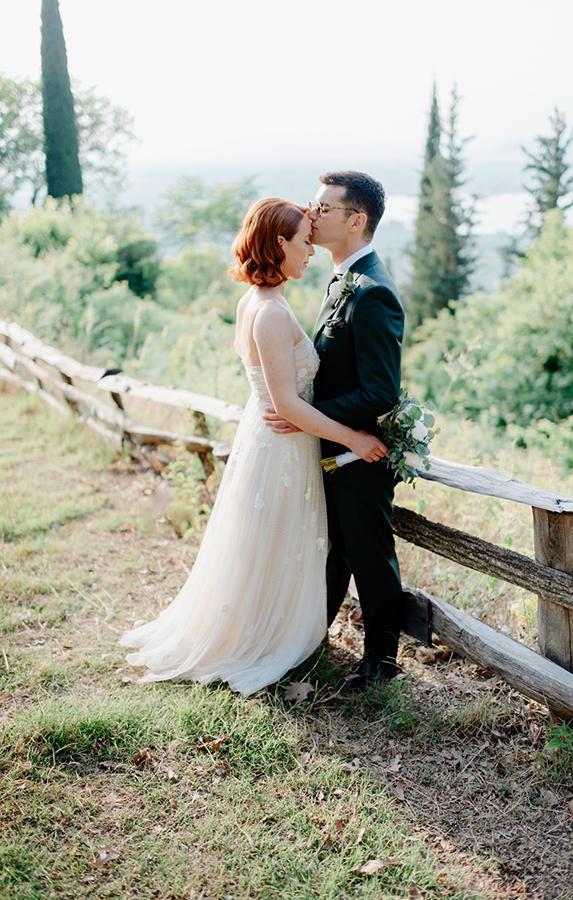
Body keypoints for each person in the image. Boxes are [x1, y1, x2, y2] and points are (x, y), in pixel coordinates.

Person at [120, 197, 388, 696]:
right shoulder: (269, 312)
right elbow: (286, 404)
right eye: (304, 242)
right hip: (281, 445)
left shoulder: (260, 300)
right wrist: (353, 437)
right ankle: (257, 637)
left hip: (276, 439)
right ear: (280, 244)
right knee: (272, 543)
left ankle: (266, 625)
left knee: (267, 544)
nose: (311, 251)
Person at [265, 172, 405, 691]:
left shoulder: (373, 292)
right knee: (336, 553)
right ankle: (309, 641)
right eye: (313, 204)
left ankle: (381, 664)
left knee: (370, 559)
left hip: (360, 457)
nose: (312, 214)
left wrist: (307, 412)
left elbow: (380, 392)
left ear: (355, 220)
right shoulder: (342, 278)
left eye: (324, 208)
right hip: (333, 448)